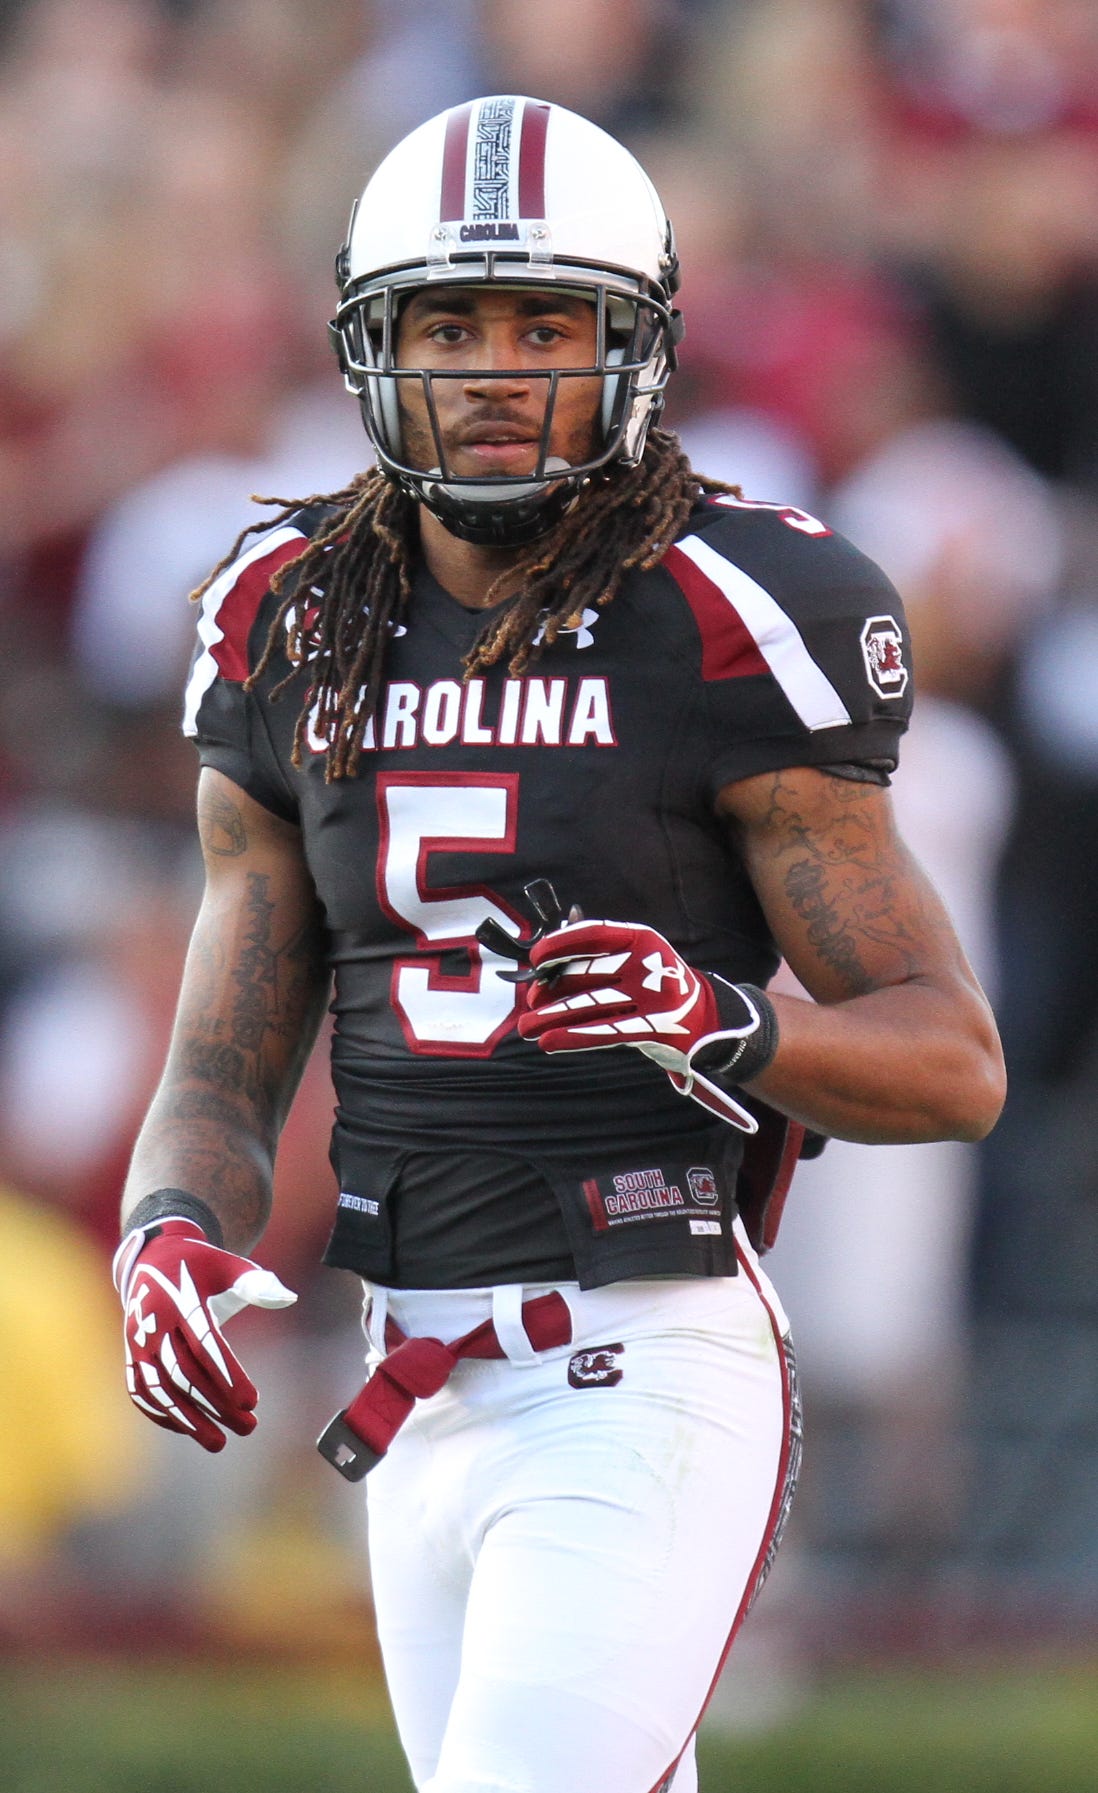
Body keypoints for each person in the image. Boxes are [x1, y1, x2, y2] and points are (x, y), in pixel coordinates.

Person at [112, 96, 1006, 1793]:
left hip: (640, 1360)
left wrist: (718, 1017)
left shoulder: (733, 608)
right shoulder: (284, 615)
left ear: (639, 346)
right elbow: (222, 1062)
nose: (500, 369)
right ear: (372, 346)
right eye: (450, 323)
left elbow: (951, 1061)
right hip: (412, 1378)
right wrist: (166, 1225)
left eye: (551, 323)